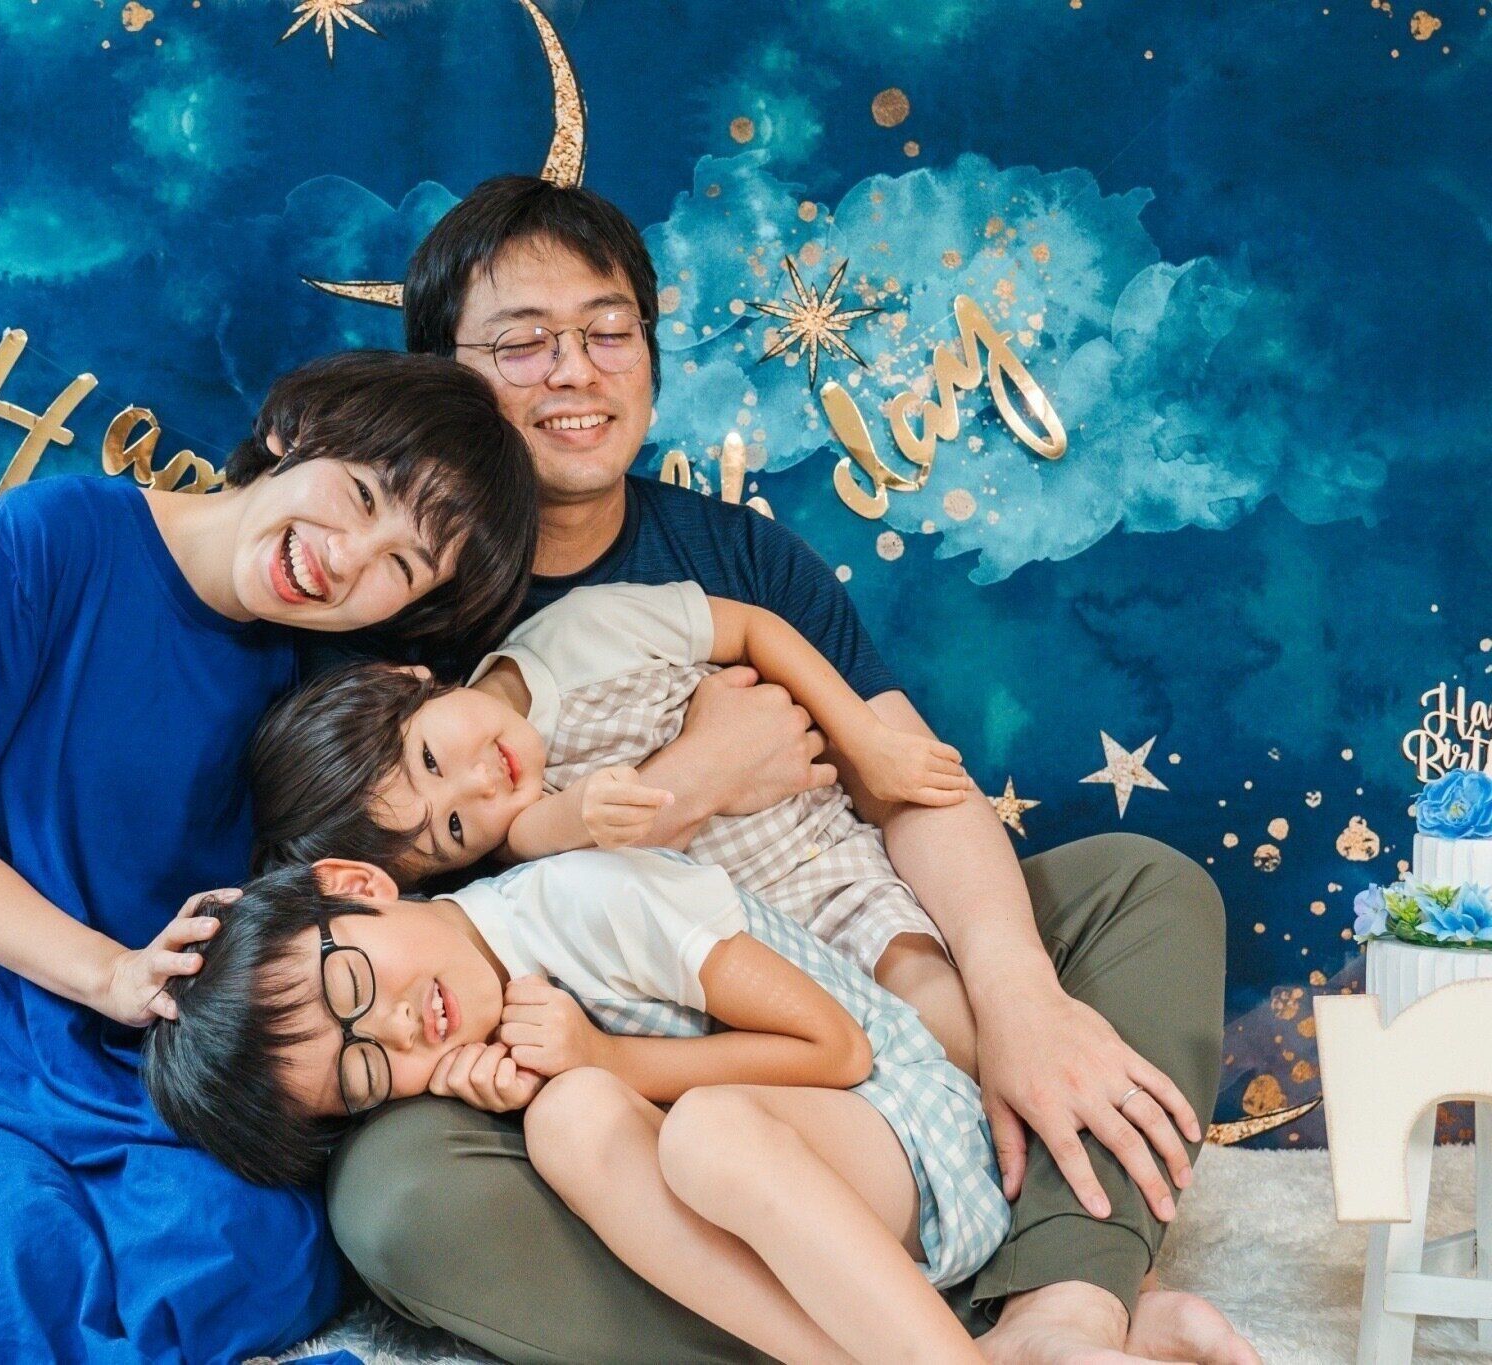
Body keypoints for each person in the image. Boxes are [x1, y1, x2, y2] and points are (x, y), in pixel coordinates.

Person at [311, 175, 1256, 1365]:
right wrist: (694, 782)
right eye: (520, 344)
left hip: (839, 958)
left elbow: (911, 783)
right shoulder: (398, 601)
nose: (573, 373)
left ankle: (1059, 1305)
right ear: (443, 376)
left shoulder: (730, 556)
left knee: (1138, 887)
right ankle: (919, 1328)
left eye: (606, 332)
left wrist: (1017, 994)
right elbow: (401, 906)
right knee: (400, 1198)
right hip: (607, 1047)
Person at [0, 351, 538, 1364]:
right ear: (298, 432)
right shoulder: (52, 537)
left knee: (260, 1246)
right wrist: (109, 974)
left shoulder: (316, 682)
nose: (346, 559)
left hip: (140, 1074)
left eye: (401, 568)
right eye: (362, 497)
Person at [145, 848, 1011, 1365]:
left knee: (703, 1132)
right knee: (571, 1118)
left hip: (910, 1127)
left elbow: (839, 1050)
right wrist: (546, 1088)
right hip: (822, 1226)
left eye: (351, 986)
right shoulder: (475, 1043)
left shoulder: (584, 899)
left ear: (357, 883)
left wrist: (606, 1056)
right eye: (366, 1070)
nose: (397, 1028)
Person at [255, 581, 976, 1063]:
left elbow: (754, 628)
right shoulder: (520, 845)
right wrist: (600, 810)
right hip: (757, 940)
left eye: (431, 759)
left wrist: (868, 742)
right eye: (453, 830)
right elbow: (544, 835)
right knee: (878, 1058)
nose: (480, 785)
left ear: (402, 680)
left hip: (831, 861)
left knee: (940, 1009)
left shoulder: (581, 633)